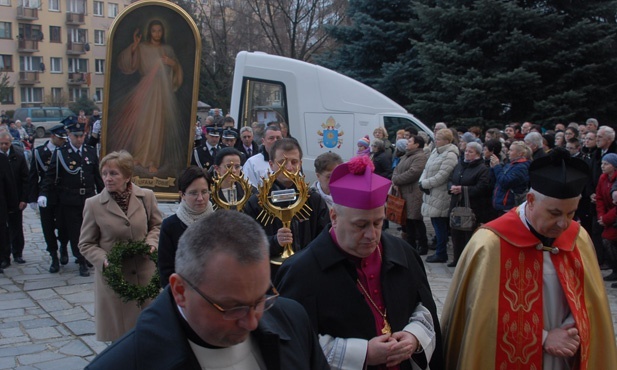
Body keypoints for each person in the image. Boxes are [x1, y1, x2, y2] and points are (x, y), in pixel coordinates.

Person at [441, 148, 617, 369]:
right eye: (554, 213)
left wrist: (571, 329)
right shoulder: (491, 243)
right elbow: (483, 317)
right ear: (531, 200)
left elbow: (590, 302)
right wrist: (543, 338)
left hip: (568, 351)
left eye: (571, 213)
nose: (563, 224)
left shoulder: (578, 238)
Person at [86, 210, 329, 369]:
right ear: (180, 291)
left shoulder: (291, 319)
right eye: (233, 308)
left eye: (260, 299)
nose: (252, 322)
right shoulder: (123, 364)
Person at [275, 155, 444, 369]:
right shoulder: (301, 271)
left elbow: (423, 307)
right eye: (360, 225)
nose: (371, 235)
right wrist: (362, 354)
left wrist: (414, 336)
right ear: (334, 217)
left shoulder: (402, 253)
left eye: (377, 222)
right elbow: (293, 343)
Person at [78, 151, 162, 342]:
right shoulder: (93, 205)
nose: (108, 178)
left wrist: (151, 243)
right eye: (105, 173)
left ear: (127, 176)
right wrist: (104, 260)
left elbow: (156, 225)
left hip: (145, 276)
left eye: (113, 173)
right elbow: (86, 243)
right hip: (116, 281)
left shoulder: (146, 197)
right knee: (122, 339)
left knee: (149, 335)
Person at [109, 19, 185, 174]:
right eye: (154, 30)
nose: (156, 34)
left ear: (163, 32)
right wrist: (135, 45)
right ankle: (139, 156)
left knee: (157, 126)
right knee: (142, 124)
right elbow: (127, 64)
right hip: (144, 90)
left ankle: (153, 160)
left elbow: (177, 72)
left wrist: (172, 63)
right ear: (149, 32)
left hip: (162, 92)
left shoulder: (167, 49)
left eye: (159, 30)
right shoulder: (142, 47)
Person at [244, 138, 329, 269]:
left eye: (294, 162)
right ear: (271, 164)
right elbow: (247, 243)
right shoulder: (256, 203)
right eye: (282, 162)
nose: (289, 167)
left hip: (308, 269)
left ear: (300, 163)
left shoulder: (313, 200)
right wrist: (274, 242)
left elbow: (325, 236)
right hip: (272, 274)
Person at [40, 116, 104, 277]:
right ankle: (81, 260)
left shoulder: (89, 152)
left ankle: (87, 257)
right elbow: (50, 176)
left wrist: (105, 194)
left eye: (82, 135)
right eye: (76, 136)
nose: (79, 139)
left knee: (90, 230)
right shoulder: (62, 153)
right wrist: (43, 193)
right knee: (76, 232)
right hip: (70, 199)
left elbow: (96, 176)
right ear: (69, 136)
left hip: (88, 199)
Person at [158, 166, 214, 288]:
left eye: (204, 192)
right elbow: (166, 270)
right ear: (182, 194)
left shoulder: (218, 223)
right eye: (193, 193)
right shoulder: (170, 226)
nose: (200, 198)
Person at [27, 125, 70, 272]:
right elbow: (33, 176)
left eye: (65, 139)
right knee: (48, 227)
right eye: (60, 138)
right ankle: (53, 256)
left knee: (64, 225)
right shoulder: (39, 152)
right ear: (52, 136)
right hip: (46, 195)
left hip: (62, 195)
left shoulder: (65, 151)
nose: (63, 141)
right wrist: (32, 197)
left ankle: (64, 246)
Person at [446, 142, 491, 267]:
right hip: (456, 203)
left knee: (468, 233)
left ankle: (468, 261)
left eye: (470, 152)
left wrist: (463, 189)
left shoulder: (482, 169)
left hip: (472, 205)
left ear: (477, 154)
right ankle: (457, 258)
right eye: (466, 151)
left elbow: (482, 187)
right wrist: (452, 188)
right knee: (455, 232)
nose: (467, 153)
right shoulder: (460, 165)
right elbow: (450, 179)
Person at [420, 128, 459, 263]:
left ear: (446, 141)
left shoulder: (450, 154)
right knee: (436, 223)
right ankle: (439, 251)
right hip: (431, 192)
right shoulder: (436, 151)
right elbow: (426, 168)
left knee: (440, 225)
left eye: (438, 139)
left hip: (440, 194)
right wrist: (422, 181)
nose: (435, 141)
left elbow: (443, 175)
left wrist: (425, 184)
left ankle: (441, 253)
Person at [392, 134, 429, 255]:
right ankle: (410, 244)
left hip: (414, 193)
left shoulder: (420, 157)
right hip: (404, 193)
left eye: (410, 141)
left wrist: (397, 179)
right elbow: (396, 169)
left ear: (417, 144)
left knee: (416, 220)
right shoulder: (406, 156)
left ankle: (423, 245)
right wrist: (395, 177)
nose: (407, 143)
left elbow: (414, 172)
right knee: (408, 220)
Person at [0, 131, 28, 267]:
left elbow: (25, 179)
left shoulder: (18, 156)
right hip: (2, 198)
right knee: (3, 229)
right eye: (1, 144)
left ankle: (17, 253)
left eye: (6, 143)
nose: (4, 146)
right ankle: (5, 256)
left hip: (14, 197)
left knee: (16, 226)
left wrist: (23, 199)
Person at [490, 141, 531, 214]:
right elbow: (497, 180)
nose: (508, 152)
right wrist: (493, 168)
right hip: (501, 204)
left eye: (511, 150)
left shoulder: (522, 167)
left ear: (520, 153)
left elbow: (505, 182)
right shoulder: (511, 164)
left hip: (509, 205)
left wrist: (497, 166)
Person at [597, 153, 617, 282]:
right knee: (607, 240)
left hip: (612, 216)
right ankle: (615, 270)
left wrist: (606, 219)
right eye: (602, 163)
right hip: (608, 216)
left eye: (606, 164)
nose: (602, 166)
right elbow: (599, 198)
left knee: (608, 239)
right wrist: (601, 216)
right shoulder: (603, 178)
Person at [0, 150, 18, 274]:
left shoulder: (2, 159)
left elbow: (9, 182)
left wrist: (12, 205)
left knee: (2, 231)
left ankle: (3, 257)